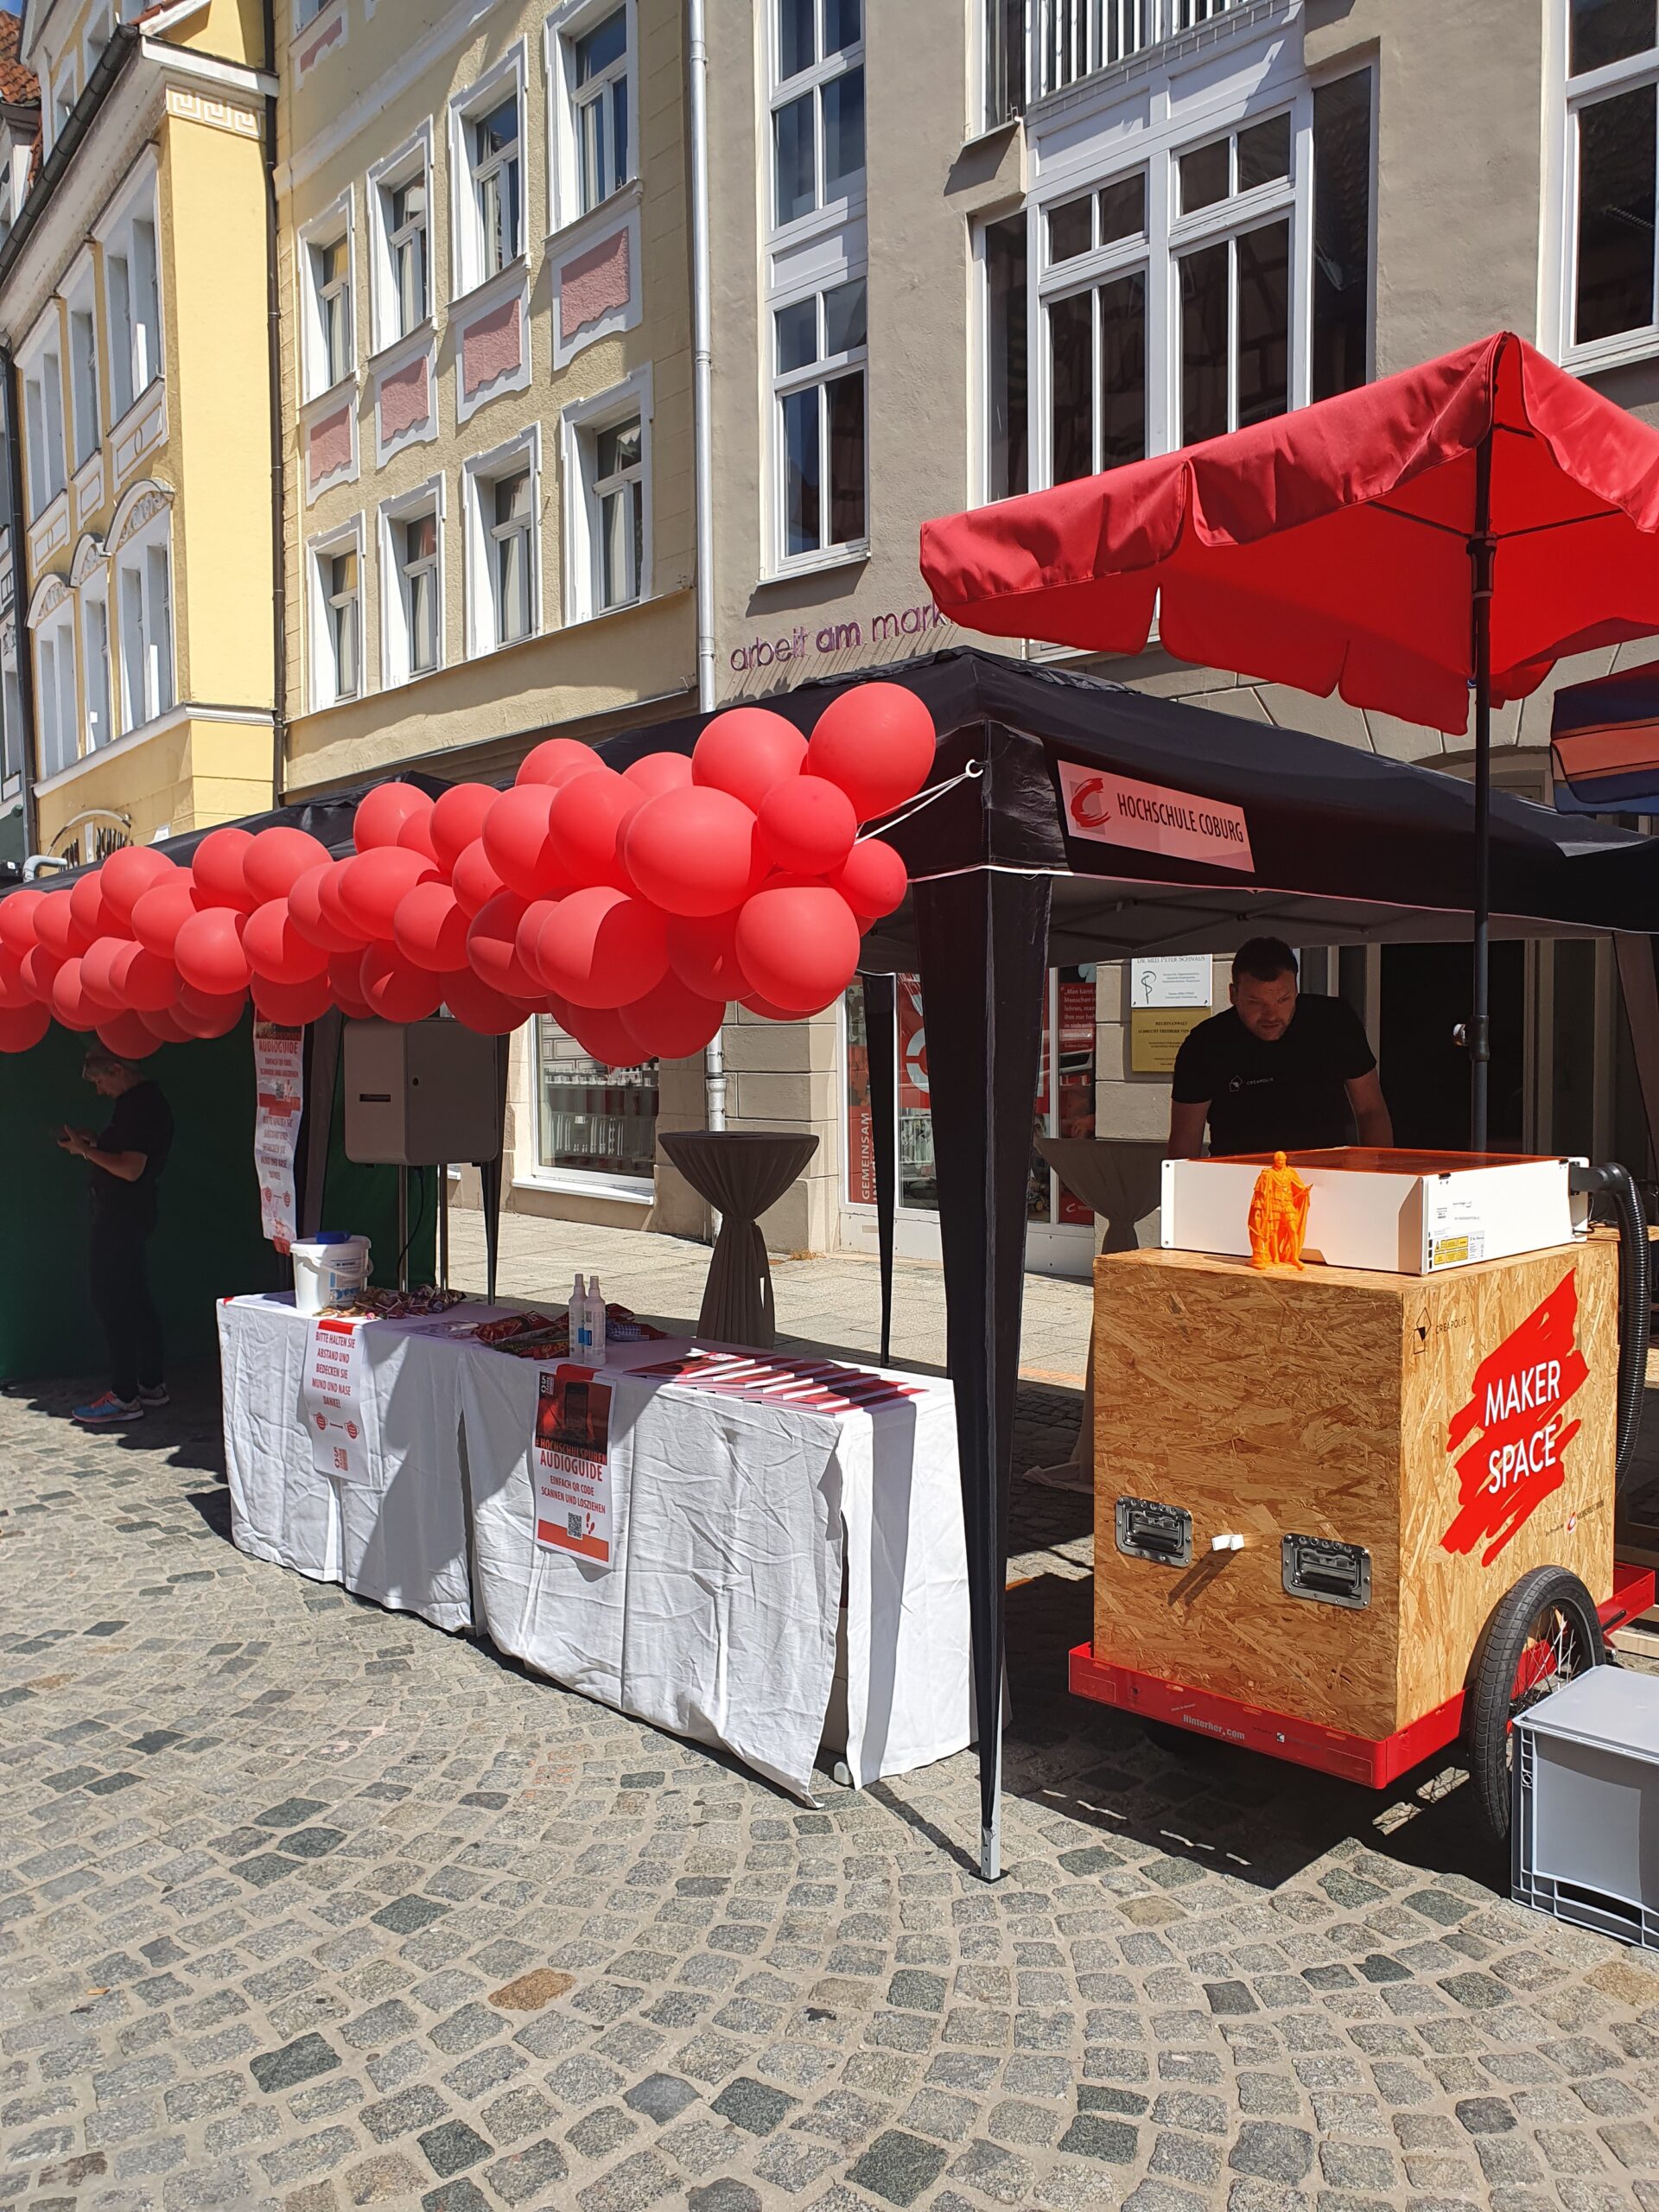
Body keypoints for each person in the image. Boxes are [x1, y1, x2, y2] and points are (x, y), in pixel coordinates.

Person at [1166, 938, 1393, 1159]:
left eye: (1283, 1000)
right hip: (1240, 1182)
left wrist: (1381, 1176)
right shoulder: (1205, 1044)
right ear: (1233, 994)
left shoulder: (1334, 1022)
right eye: (1256, 1002)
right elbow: (1184, 1146)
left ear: (1296, 990)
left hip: (1326, 1177)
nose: (1271, 1016)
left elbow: (1370, 1110)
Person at [58, 1048, 175, 1426]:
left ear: (117, 1070)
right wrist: (93, 1147)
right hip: (130, 1214)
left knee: (112, 1299)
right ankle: (150, 1385)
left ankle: (125, 1395)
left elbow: (130, 1169)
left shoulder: (140, 1106)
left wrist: (87, 1153)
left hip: (122, 1216)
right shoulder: (140, 1102)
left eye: (99, 1081)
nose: (99, 1090)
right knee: (135, 1297)